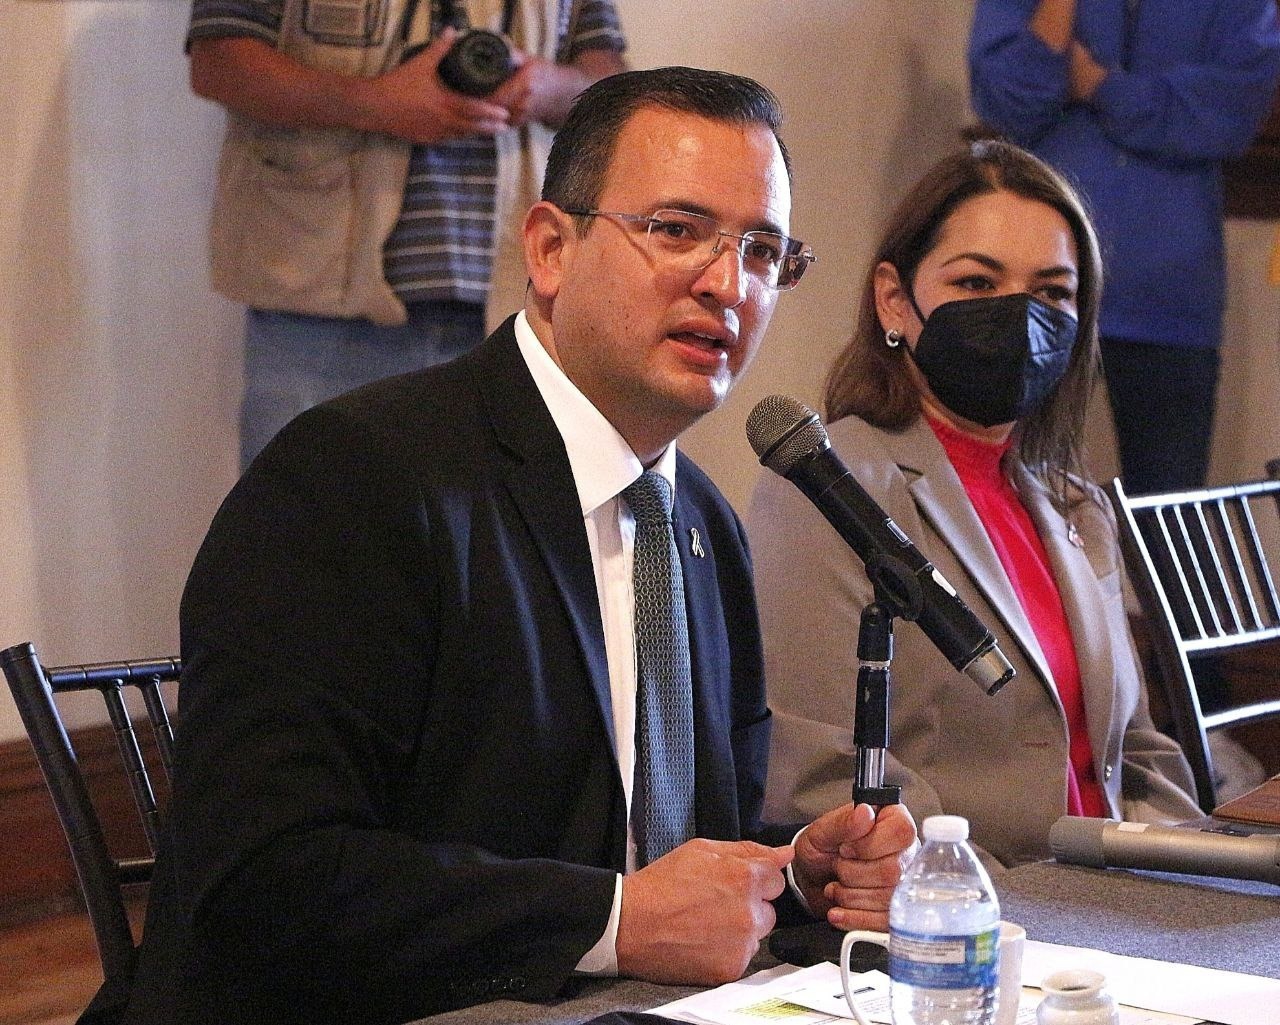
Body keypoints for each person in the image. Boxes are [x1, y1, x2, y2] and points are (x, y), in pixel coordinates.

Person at [112, 68, 917, 1025]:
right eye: (676, 229)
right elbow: (260, 879)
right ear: (549, 249)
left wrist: (794, 875)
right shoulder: (355, 476)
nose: (726, 283)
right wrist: (612, 920)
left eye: (763, 250)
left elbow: (672, 858)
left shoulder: (703, 523)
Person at [748, 140, 1200, 873]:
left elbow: (1137, 752)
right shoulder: (830, 486)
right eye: (977, 282)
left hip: (1115, 897)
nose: (1018, 314)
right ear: (895, 300)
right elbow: (817, 765)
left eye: (1053, 292)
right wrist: (985, 900)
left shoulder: (1075, 503)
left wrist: (1191, 878)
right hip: (970, 902)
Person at [186, 0, 628, 466]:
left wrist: (546, 87)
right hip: (316, 309)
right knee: (300, 507)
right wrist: (379, 102)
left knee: (500, 513)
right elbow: (219, 61)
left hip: (519, 315)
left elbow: (608, 78)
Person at [968, 0, 1280, 497]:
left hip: (1169, 294)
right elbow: (1006, 101)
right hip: (1038, 285)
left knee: (1169, 513)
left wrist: (1100, 87)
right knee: (1001, 493)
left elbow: (1229, 114)